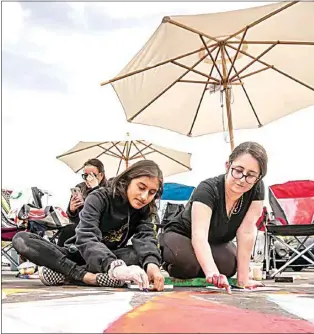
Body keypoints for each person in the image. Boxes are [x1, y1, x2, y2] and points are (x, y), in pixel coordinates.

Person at [12, 160, 165, 291]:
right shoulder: (99, 197)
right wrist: (114, 267)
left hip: (112, 255)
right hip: (78, 253)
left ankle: (66, 274)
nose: (145, 197)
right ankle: (86, 277)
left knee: (139, 255)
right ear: (127, 180)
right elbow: (86, 236)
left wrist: (152, 265)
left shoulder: (147, 209)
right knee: (21, 239)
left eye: (152, 192)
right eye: (141, 187)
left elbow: (147, 237)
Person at [161, 141, 268, 293]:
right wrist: (212, 272)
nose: (242, 179)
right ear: (227, 166)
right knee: (187, 264)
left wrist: (243, 279)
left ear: (258, 178)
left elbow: (246, 231)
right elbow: (199, 235)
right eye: (238, 170)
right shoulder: (207, 189)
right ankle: (172, 262)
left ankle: (201, 265)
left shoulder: (257, 189)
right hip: (182, 235)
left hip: (215, 242)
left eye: (251, 175)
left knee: (229, 267)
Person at [57, 159, 107, 247]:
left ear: (101, 175)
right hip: (80, 225)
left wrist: (95, 188)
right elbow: (73, 219)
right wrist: (72, 210)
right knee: (67, 230)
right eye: (85, 175)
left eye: (92, 175)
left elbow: (106, 215)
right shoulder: (80, 187)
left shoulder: (108, 189)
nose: (88, 179)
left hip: (100, 228)